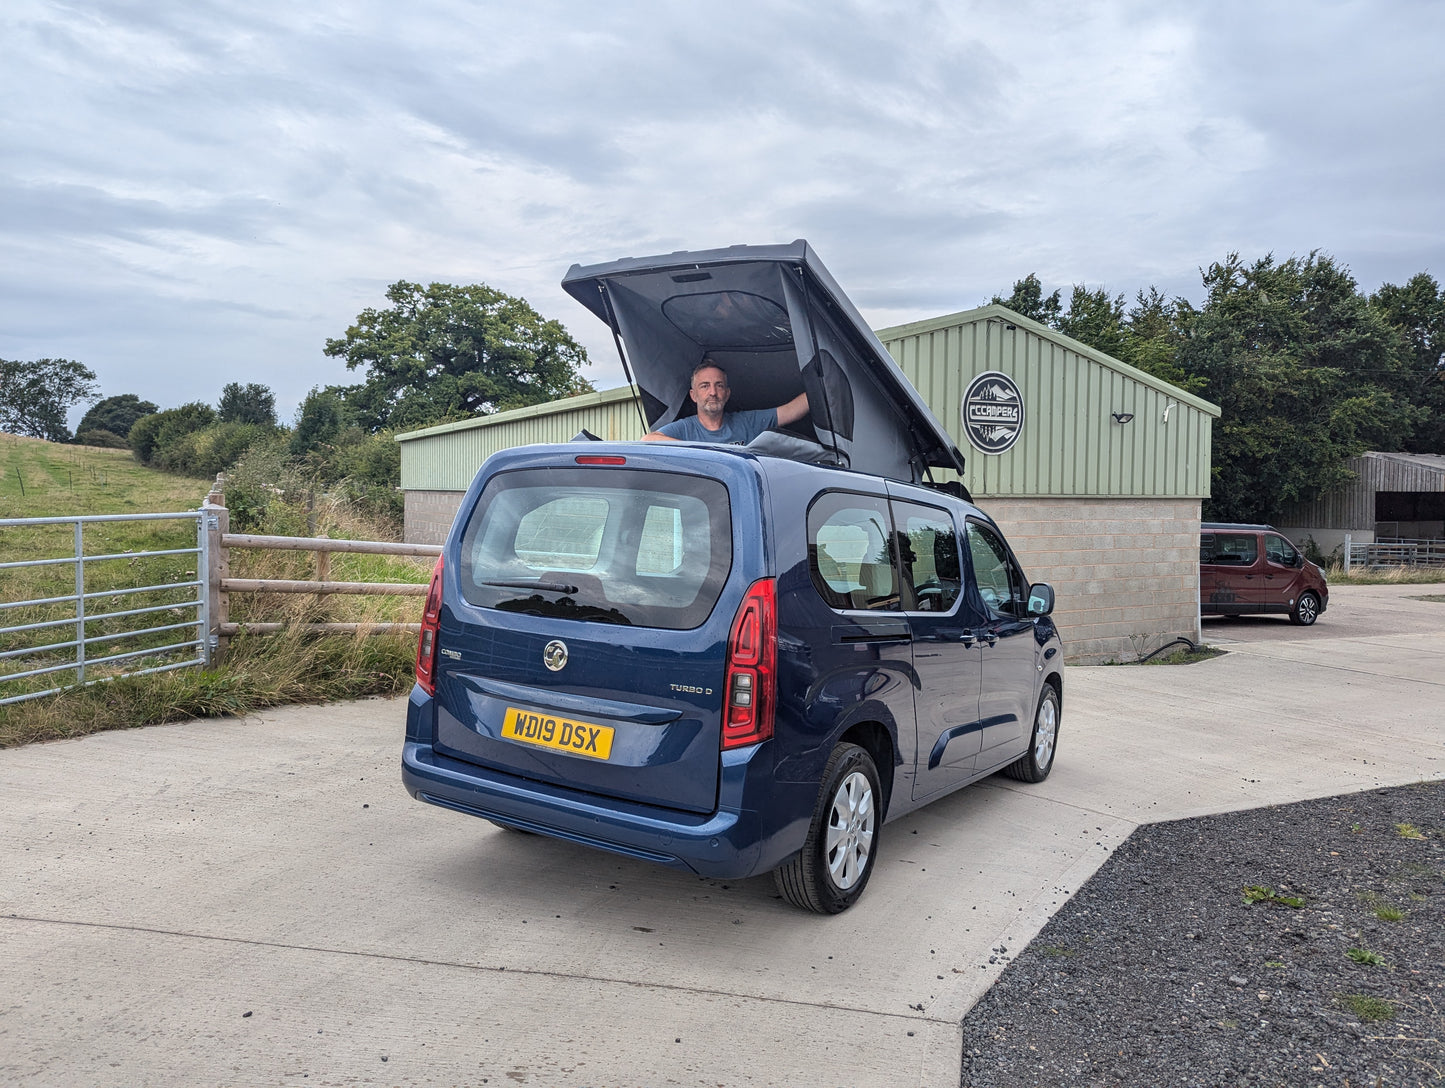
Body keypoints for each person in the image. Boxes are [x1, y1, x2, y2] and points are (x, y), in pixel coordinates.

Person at [644, 358, 808, 444]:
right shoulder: (685, 428)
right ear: (693, 395)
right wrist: (699, 450)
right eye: (705, 386)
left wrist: (823, 387)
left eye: (719, 385)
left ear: (727, 393)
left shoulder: (746, 422)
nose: (713, 392)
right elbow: (648, 440)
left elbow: (791, 411)